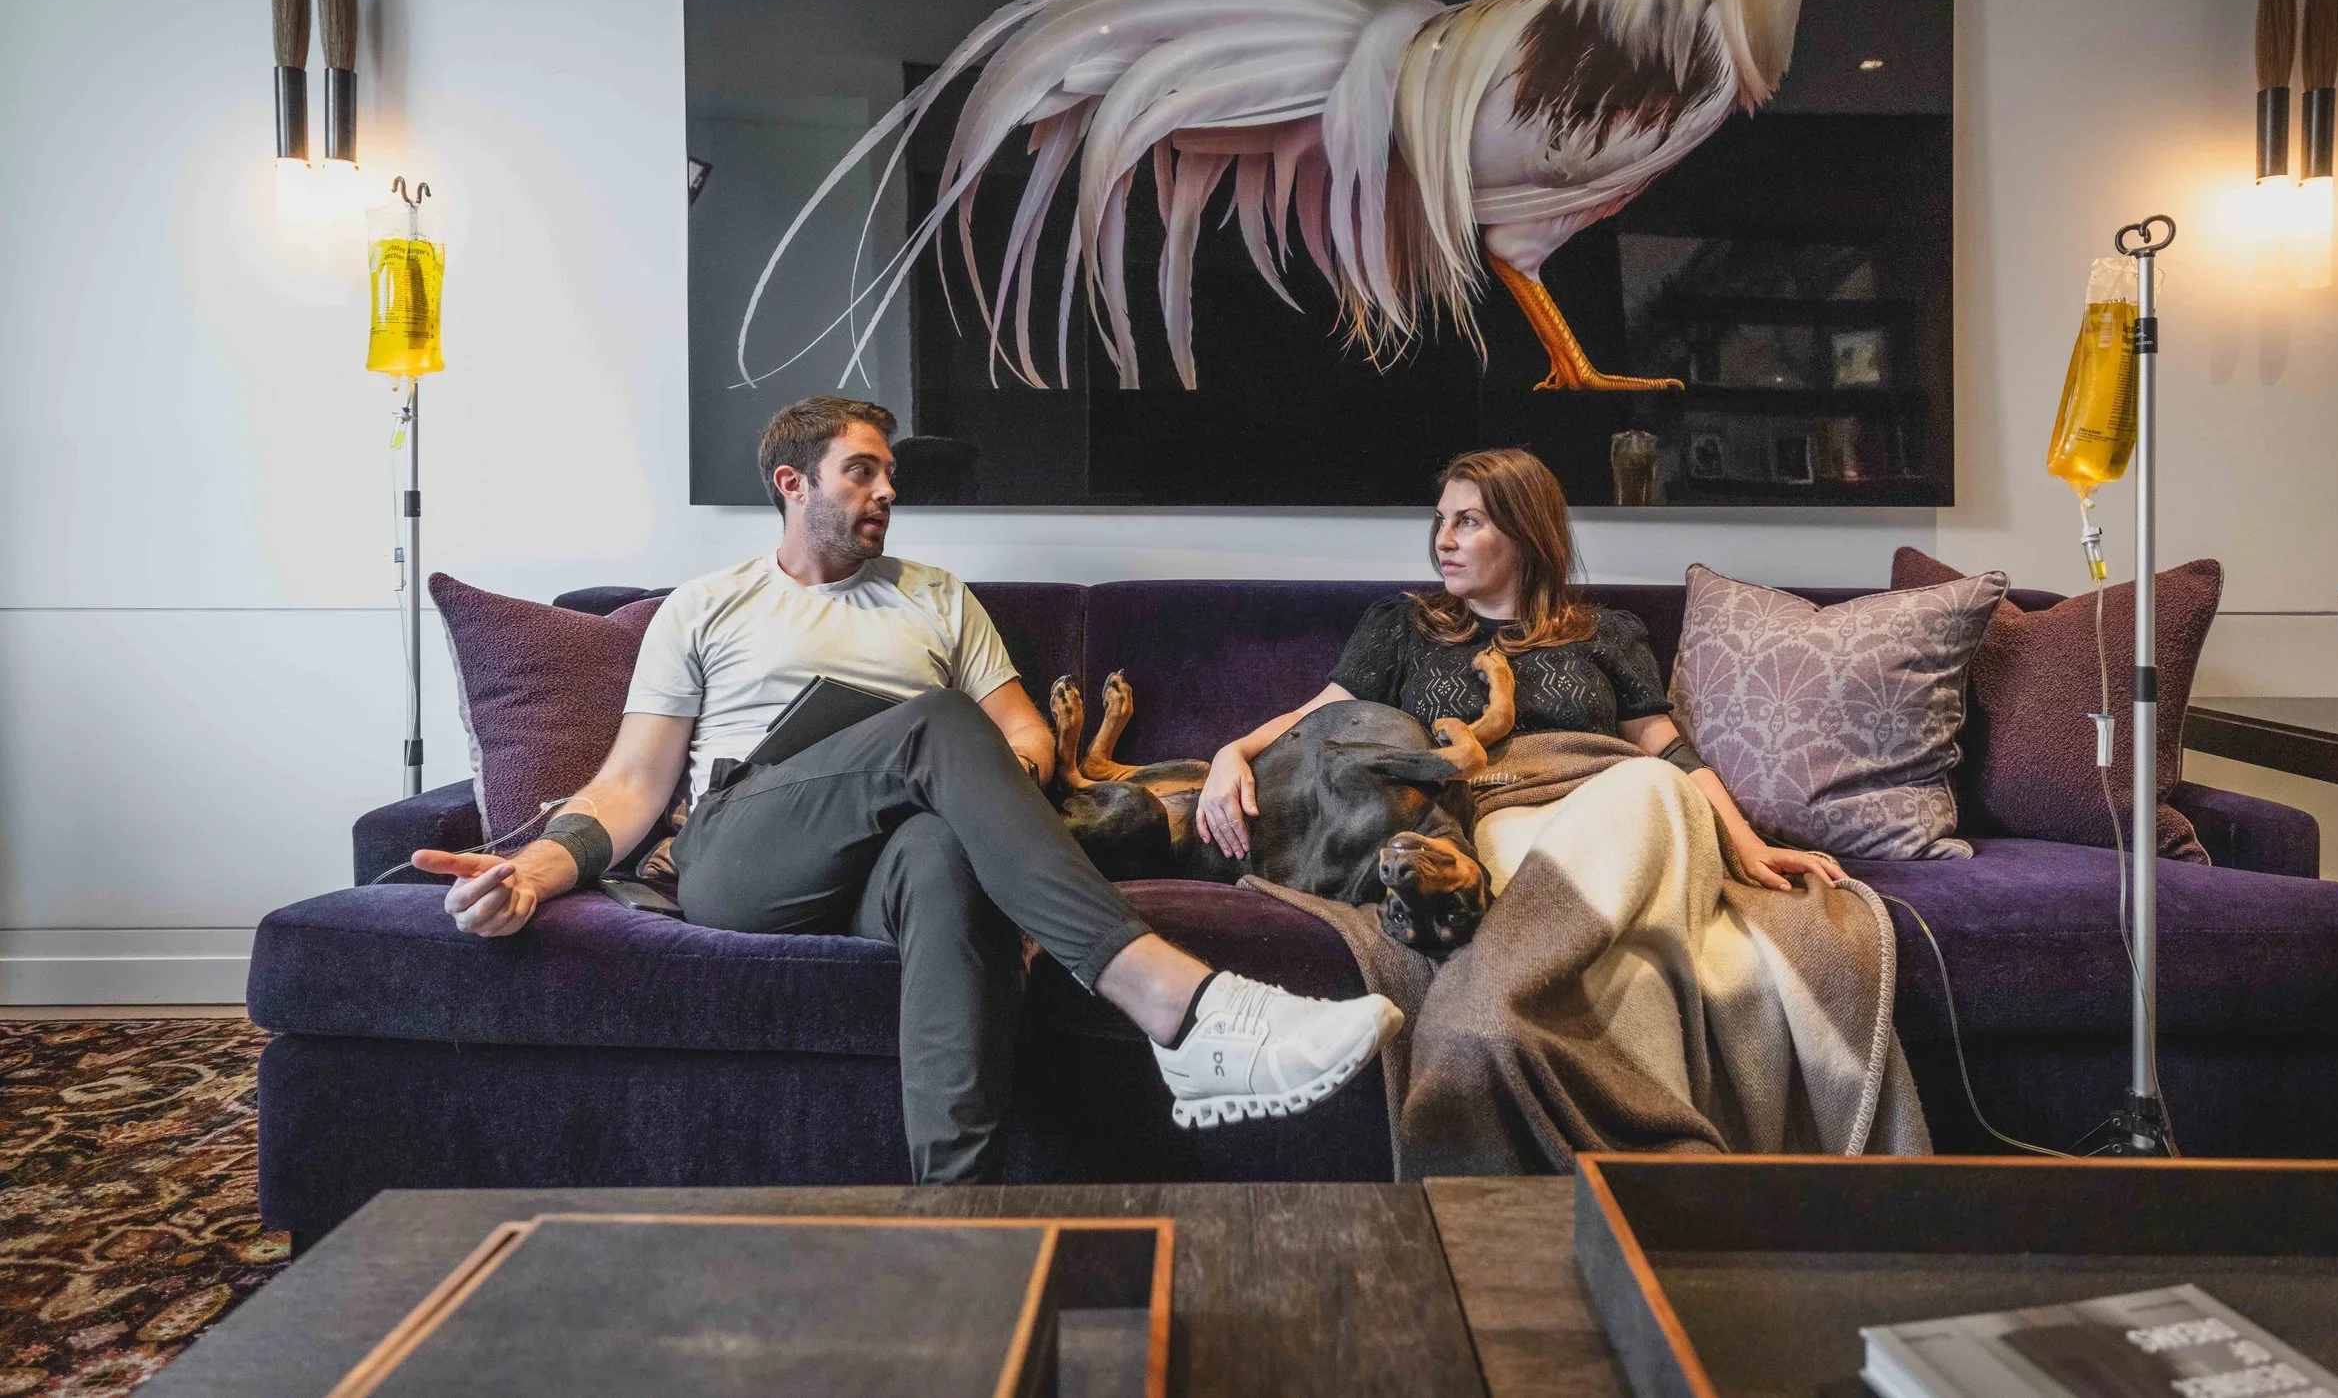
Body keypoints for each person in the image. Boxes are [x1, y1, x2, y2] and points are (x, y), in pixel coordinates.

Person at [411, 396, 1401, 1184]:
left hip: (896, 842)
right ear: (793, 483)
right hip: (748, 850)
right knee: (933, 721)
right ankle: (1177, 1004)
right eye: (864, 469)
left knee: (944, 855)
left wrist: (986, 790)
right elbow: (631, 781)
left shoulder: (934, 595)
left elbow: (1020, 730)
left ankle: (952, 1223)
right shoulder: (707, 606)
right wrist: (533, 871)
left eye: (891, 472)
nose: (888, 488)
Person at [1197, 446, 1847, 895]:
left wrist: (1744, 841)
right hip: (1481, 822)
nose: (1442, 539)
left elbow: (1667, 749)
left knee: (1651, 787)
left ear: (1525, 533)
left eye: (1468, 521)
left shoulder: (1607, 631)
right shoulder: (1403, 624)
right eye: (1441, 521)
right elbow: (1322, 714)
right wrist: (1235, 750)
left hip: (1600, 816)